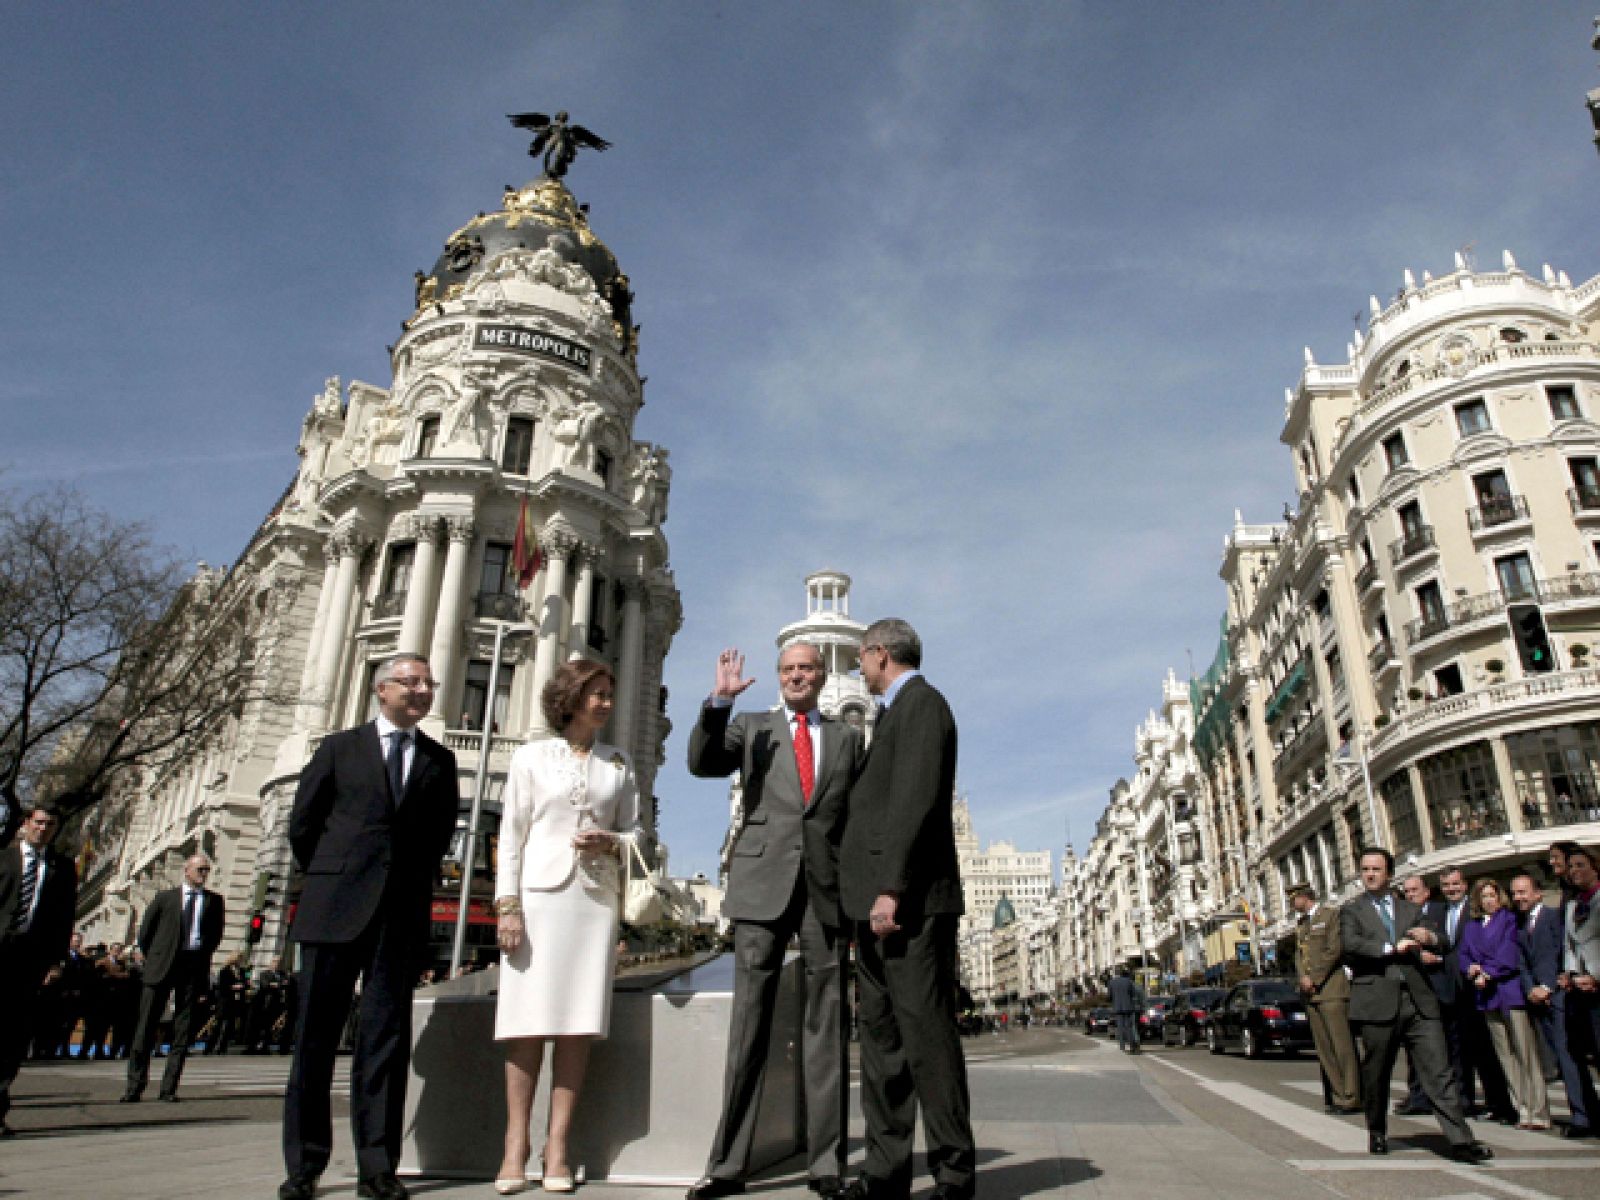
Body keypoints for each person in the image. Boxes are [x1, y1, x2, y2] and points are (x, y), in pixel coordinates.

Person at [279, 652, 460, 1200]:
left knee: (384, 1040)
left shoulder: (438, 760)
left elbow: (438, 836)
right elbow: (303, 826)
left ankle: (377, 1167)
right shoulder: (339, 748)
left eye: (429, 683)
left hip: (398, 916)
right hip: (333, 909)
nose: (422, 691)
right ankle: (305, 1165)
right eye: (412, 682)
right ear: (382, 689)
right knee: (314, 1037)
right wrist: (334, 875)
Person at [684, 644, 862, 1200]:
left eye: (806, 668)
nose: (796, 676)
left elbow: (855, 819)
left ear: (821, 676)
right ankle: (728, 1165)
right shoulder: (751, 727)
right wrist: (718, 702)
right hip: (762, 885)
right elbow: (702, 762)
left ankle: (826, 1164)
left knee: (826, 1026)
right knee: (750, 1025)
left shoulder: (847, 738)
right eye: (788, 669)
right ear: (779, 678)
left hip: (824, 893)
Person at [492, 659, 641, 1196]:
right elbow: (511, 835)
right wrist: (507, 905)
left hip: (593, 903)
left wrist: (612, 841)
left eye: (608, 693)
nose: (604, 702)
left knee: (578, 1025)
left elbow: (636, 834)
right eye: (595, 693)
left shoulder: (618, 763)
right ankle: (515, 1146)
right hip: (537, 900)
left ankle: (558, 1147)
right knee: (525, 1023)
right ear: (570, 698)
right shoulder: (532, 757)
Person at [839, 619, 975, 1200]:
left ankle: (952, 1173)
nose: (858, 670)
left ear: (879, 654)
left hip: (910, 907)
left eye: (860, 660)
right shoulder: (894, 712)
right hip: (877, 912)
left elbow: (915, 801)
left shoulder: (922, 705)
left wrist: (891, 888)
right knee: (882, 1045)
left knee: (926, 1040)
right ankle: (885, 1173)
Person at [1339, 846, 1491, 1163]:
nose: (1369, 874)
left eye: (1376, 869)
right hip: (1377, 1003)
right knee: (1377, 1072)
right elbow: (1350, 945)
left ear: (1389, 874)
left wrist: (1428, 937)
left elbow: (1444, 940)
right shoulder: (1352, 911)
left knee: (1439, 1071)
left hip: (1419, 1002)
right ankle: (1377, 1130)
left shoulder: (1409, 910)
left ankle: (1461, 1140)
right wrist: (1390, 947)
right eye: (1365, 869)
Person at [0, 803, 79, 1135]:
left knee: (14, 1036)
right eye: (39, 823)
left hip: (30, 960)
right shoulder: (3, 858)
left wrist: (55, 961)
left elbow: (63, 920)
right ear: (26, 823)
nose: (43, 829)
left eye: (50, 825)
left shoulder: (61, 869)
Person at [122, 854, 226, 1102]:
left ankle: (168, 1088)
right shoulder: (165, 898)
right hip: (161, 965)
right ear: (187, 870)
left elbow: (214, 936)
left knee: (182, 1031)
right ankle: (134, 1086)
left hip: (192, 968)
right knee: (146, 1026)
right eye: (199, 869)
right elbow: (146, 933)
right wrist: (156, 956)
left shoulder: (214, 901)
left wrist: (200, 958)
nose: (203, 874)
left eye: (206, 870)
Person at [1457, 878, 1546, 1130]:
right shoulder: (1473, 927)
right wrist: (1472, 969)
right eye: (1483, 896)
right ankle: (1521, 1108)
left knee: (1525, 1053)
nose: (1488, 900)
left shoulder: (1508, 920)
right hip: (1486, 997)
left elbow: (1509, 953)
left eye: (1492, 895)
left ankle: (1538, 1110)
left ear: (1500, 897)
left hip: (1508, 991)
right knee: (1505, 1055)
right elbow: (1464, 955)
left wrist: (1488, 972)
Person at [1511, 872, 1596, 1138]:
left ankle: (1584, 1116)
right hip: (1538, 1001)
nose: (1518, 898)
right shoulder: (1521, 924)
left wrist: (1548, 987)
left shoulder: (1553, 918)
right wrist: (1530, 990)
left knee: (1570, 1059)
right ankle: (1584, 1112)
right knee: (1560, 1060)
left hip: (1560, 996)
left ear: (1538, 893)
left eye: (1523, 892)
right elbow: (1522, 963)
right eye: (1514, 893)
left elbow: (1564, 953)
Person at [1437, 866, 1516, 1122]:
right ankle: (1465, 1101)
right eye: (1447, 885)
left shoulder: (1472, 917)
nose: (1451, 889)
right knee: (1459, 1052)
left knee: (1487, 1052)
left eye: (1456, 884)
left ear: (1464, 885)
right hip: (1452, 991)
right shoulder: (1439, 913)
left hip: (1478, 988)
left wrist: (1480, 972)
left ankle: (1500, 1103)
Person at [1290, 881, 1360, 1113]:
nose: (1292, 903)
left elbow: (1334, 950)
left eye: (1294, 899)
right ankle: (1338, 1095)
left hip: (1331, 990)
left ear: (1305, 897)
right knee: (1324, 1049)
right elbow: (1300, 956)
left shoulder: (1330, 916)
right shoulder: (1301, 924)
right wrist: (1303, 978)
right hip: (1311, 994)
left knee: (1342, 1047)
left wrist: (1315, 978)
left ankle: (1352, 1095)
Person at [1558, 846, 1600, 1084]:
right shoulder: (1573, 905)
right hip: (1583, 989)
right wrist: (1570, 973)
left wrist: (1596, 977)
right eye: (1571, 866)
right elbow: (1570, 945)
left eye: (1580, 865)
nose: (1574, 871)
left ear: (1594, 867)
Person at [1108, 967, 1143, 1055]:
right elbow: (1133, 993)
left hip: (1117, 1007)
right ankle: (1131, 1045)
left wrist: (1114, 1001)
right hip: (1128, 1007)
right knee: (1129, 1027)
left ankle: (1122, 1045)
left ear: (1115, 974)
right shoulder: (1128, 981)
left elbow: (1109, 996)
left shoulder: (1112, 982)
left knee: (1120, 1027)